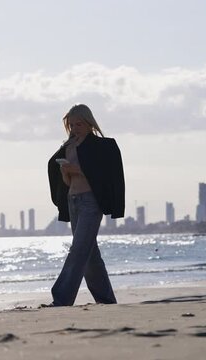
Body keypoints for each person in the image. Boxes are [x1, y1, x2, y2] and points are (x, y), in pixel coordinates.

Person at [47, 104, 125, 306]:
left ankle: (61, 298)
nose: (75, 128)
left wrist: (79, 170)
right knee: (90, 255)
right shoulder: (68, 146)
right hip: (73, 201)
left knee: (79, 250)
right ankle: (106, 300)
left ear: (89, 123)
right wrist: (66, 172)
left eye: (79, 124)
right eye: (71, 125)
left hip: (91, 201)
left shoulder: (100, 147)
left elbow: (102, 175)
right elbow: (66, 183)